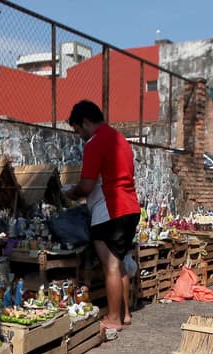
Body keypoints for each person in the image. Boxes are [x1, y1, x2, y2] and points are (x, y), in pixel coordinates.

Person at [63, 100, 140, 338]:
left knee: (111, 266)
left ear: (86, 122)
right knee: (121, 262)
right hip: (130, 208)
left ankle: (114, 318)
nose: (80, 137)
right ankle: (125, 314)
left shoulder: (95, 143)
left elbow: (86, 186)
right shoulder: (120, 139)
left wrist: (70, 193)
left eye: (78, 130)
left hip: (109, 211)